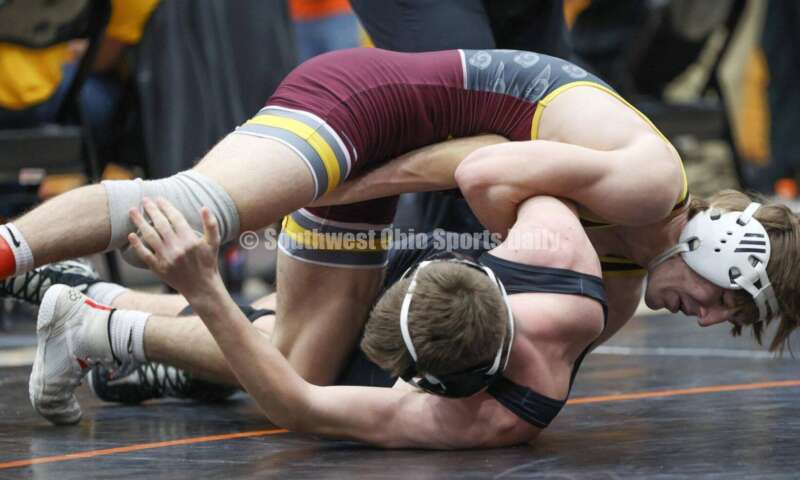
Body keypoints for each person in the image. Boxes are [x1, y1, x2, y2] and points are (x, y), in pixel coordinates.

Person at [1, 47, 797, 434]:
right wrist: (342, 184)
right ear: (726, 251)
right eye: (728, 303)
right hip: (379, 107)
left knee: (316, 359)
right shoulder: (650, 185)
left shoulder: (616, 283)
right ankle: (16, 256)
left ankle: (97, 318)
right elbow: (481, 171)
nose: (708, 320)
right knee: (196, 209)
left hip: (413, 166)